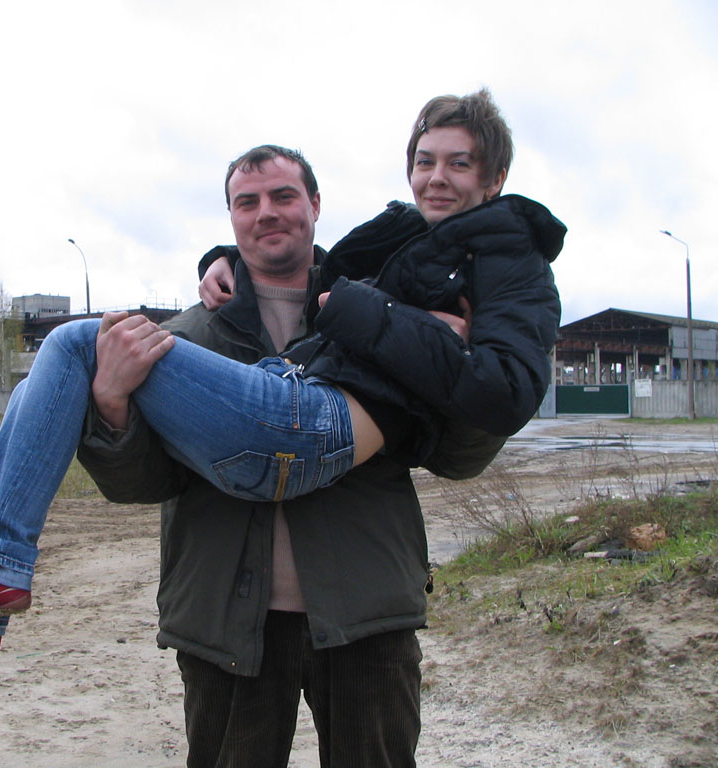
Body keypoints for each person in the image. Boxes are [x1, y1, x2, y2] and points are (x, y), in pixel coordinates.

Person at [79, 90, 562, 767]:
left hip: (366, 614)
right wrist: (110, 404)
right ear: (230, 218)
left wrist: (450, 362)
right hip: (224, 625)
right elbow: (142, 482)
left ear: (314, 205)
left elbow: (458, 458)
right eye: (247, 202)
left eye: (284, 196)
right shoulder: (186, 341)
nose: (267, 213)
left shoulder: (383, 308)